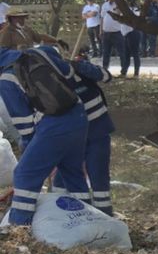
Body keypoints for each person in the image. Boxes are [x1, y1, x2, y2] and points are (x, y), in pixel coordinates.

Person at [0, 45, 91, 225]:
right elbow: (69, 73)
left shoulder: (6, 79)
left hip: (53, 125)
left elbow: (24, 124)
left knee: (24, 174)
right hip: (79, 116)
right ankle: (87, 217)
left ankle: (19, 227)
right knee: (72, 173)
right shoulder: (40, 53)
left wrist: (30, 150)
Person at [52, 54, 115, 215]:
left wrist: (82, 66)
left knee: (98, 176)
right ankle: (58, 211)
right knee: (64, 176)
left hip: (97, 133)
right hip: (71, 138)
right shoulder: (49, 82)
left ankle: (104, 215)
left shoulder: (81, 70)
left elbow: (107, 76)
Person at [0, 11, 64, 50]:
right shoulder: (6, 32)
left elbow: (40, 37)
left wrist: (57, 40)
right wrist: (17, 50)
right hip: (16, 61)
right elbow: (3, 50)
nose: (22, 20)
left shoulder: (27, 29)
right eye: (19, 18)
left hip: (32, 56)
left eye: (23, 18)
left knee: (49, 50)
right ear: (11, 19)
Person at [99, 0, 125, 74]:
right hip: (106, 33)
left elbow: (120, 14)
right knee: (106, 52)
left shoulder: (119, 5)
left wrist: (117, 8)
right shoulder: (104, 5)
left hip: (116, 32)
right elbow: (102, 18)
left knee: (121, 52)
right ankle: (105, 70)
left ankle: (124, 70)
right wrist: (101, 31)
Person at [119, 0, 141, 78]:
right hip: (125, 33)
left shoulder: (136, 9)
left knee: (135, 54)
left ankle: (136, 73)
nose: (126, 1)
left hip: (133, 32)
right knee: (126, 54)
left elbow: (134, 20)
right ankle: (124, 72)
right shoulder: (125, 9)